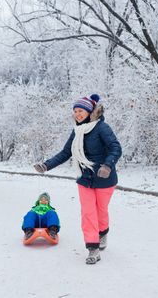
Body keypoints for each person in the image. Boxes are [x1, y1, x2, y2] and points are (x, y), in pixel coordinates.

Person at [34, 94, 122, 264]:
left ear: (89, 111)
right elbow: (65, 153)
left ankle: (102, 233)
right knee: (88, 213)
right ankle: (93, 249)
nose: (77, 114)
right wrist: (46, 165)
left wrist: (107, 165)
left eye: (80, 110)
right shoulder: (77, 131)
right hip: (85, 179)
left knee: (101, 211)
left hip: (104, 178)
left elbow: (115, 148)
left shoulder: (102, 128)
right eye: (75, 111)